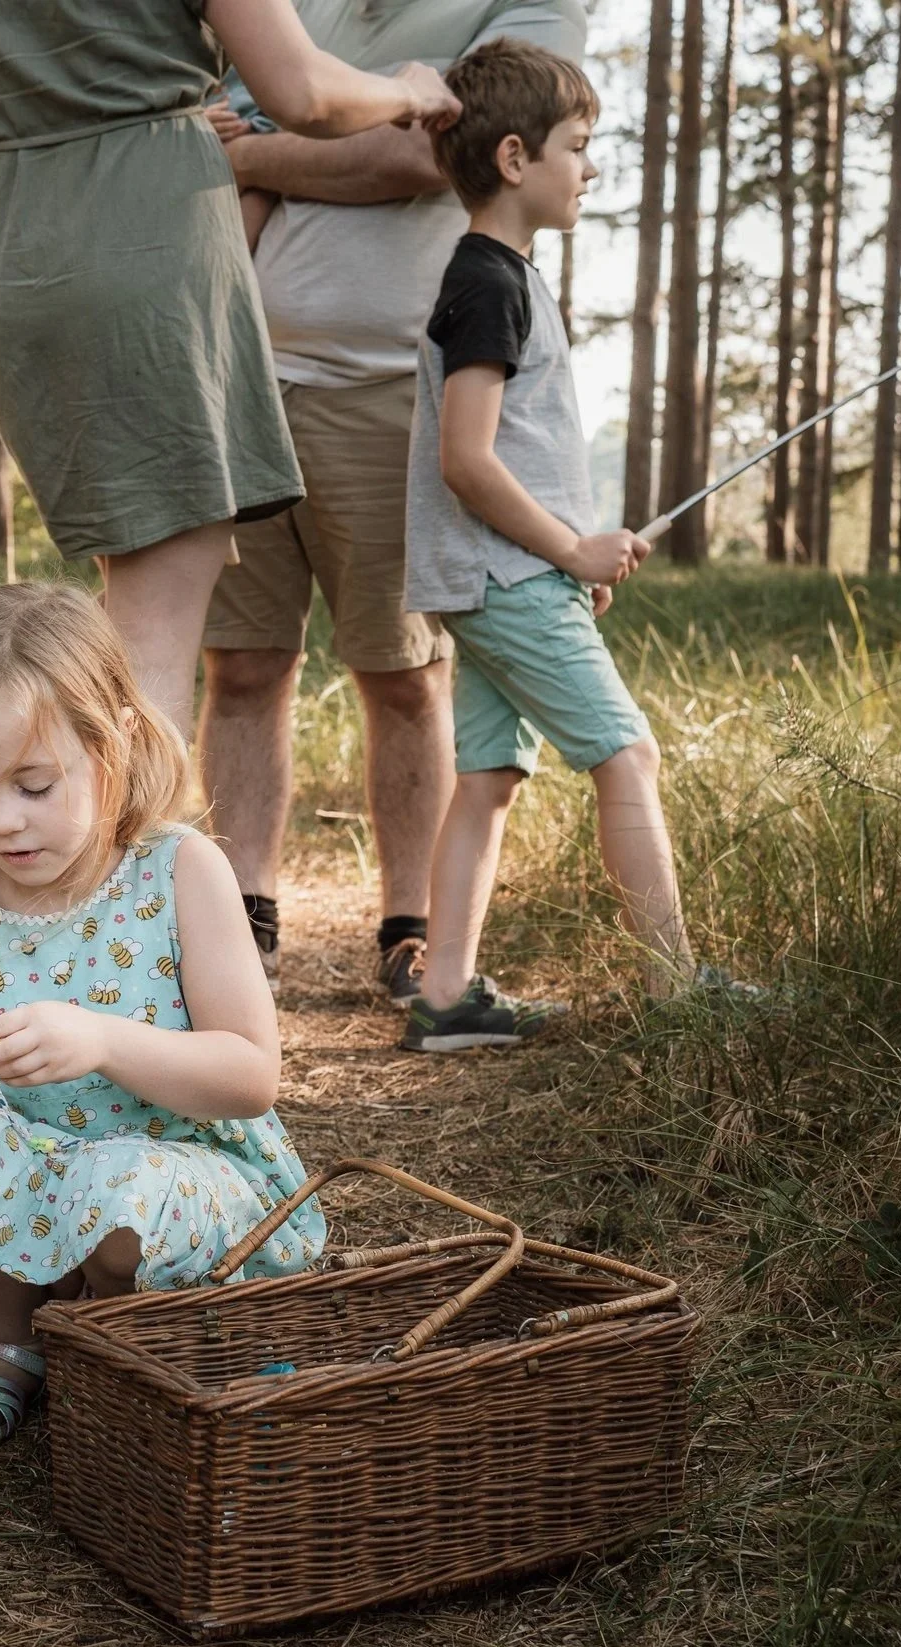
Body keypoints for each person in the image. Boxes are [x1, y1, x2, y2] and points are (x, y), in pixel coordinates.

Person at [0, 584, 325, 1446]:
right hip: (41, 1174)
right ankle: (18, 1339)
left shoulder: (177, 871)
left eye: (34, 785)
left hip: (188, 1177)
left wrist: (105, 1039)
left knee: (121, 1203)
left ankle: (116, 1357)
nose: (1, 819)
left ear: (109, 742)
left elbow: (250, 1073)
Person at [0, 0, 459, 742]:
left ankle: (80, 834)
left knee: (133, 584)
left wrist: (33, 183)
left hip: (15, 260)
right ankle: (124, 855)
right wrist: (411, 90)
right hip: (153, 249)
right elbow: (303, 92)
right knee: (153, 624)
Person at [193, 0, 589, 1007]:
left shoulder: (527, 11)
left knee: (404, 670)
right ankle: (242, 919)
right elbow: (218, 113)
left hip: (391, 391)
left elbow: (429, 161)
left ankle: (409, 928)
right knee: (239, 663)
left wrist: (254, 158)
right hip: (241, 375)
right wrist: (292, 137)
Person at [400, 40, 739, 1052]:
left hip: (499, 574)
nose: (588, 168)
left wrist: (562, 555)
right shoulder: (490, 284)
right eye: (577, 147)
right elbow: (468, 459)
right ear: (514, 158)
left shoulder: (501, 278)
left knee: (491, 776)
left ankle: (446, 996)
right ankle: (674, 987)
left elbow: (516, 453)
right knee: (626, 752)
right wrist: (566, 551)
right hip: (501, 574)